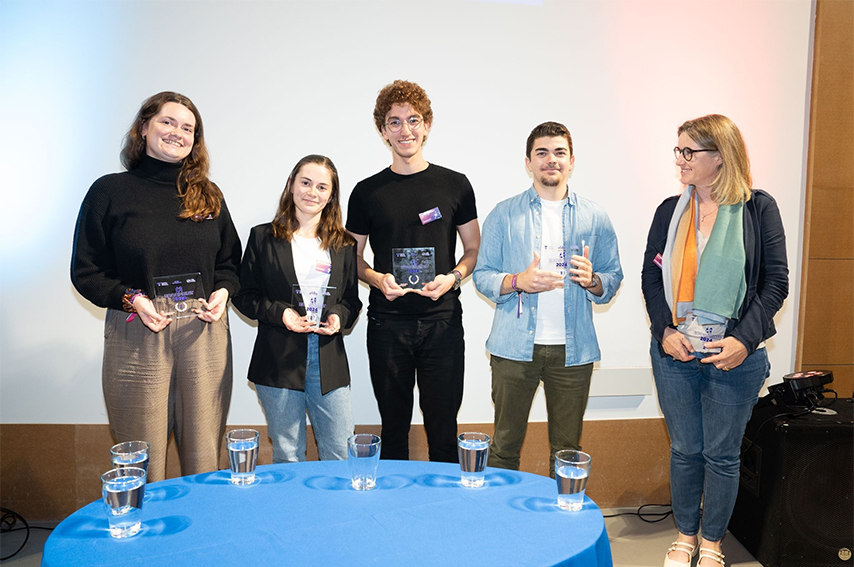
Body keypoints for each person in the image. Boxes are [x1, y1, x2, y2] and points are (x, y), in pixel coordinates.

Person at [71, 91, 242, 482]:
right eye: (168, 122)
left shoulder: (209, 196)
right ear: (144, 127)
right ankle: (144, 537)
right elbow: (87, 270)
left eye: (188, 128)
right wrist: (131, 299)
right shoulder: (109, 192)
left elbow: (229, 264)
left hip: (203, 330)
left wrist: (223, 291)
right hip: (138, 327)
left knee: (203, 454)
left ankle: (200, 535)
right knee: (140, 454)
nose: (177, 133)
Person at [641, 114, 788, 567]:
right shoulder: (670, 210)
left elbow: (775, 284)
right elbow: (651, 276)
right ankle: (684, 536)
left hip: (734, 357)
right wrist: (664, 331)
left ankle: (711, 544)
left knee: (722, 456)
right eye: (678, 150)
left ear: (720, 158)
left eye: (690, 152)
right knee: (686, 449)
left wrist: (744, 339)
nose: (680, 160)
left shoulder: (757, 208)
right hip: (675, 353)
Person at [473, 121, 623, 477]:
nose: (550, 160)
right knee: (505, 446)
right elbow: (482, 275)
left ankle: (565, 526)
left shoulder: (595, 217)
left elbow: (613, 276)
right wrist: (518, 280)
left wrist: (594, 281)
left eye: (559, 152)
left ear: (572, 161)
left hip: (573, 352)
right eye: (542, 153)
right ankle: (501, 522)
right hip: (513, 349)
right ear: (528, 162)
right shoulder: (504, 214)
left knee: (568, 449)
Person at [346, 80, 480, 462]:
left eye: (413, 120)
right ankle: (394, 516)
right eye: (394, 122)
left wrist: (453, 277)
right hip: (388, 324)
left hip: (442, 321)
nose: (405, 130)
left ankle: (442, 515)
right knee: (392, 431)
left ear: (427, 125)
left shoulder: (455, 185)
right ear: (382, 130)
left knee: (443, 430)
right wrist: (375, 278)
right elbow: (351, 257)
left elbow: (472, 249)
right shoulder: (366, 192)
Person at [233, 155, 360, 462]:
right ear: (291, 185)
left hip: (328, 357)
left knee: (341, 450)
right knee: (288, 453)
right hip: (278, 358)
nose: (311, 193)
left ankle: (337, 512)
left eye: (321, 187)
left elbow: (352, 301)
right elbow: (243, 295)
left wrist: (337, 317)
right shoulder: (262, 237)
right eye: (305, 183)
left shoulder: (344, 244)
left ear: (331, 196)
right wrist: (281, 313)